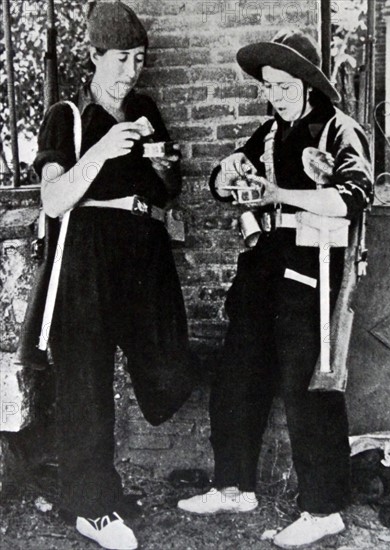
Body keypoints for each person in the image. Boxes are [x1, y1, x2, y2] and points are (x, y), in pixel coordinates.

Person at [178, 29, 373, 548]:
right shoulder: (266, 133)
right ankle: (233, 485)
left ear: (308, 83)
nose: (277, 95)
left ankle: (323, 508)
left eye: (285, 85)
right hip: (261, 273)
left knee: (306, 387)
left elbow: (351, 200)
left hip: (311, 272)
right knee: (237, 375)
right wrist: (225, 175)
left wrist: (279, 193)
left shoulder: (338, 129)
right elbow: (223, 185)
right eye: (269, 86)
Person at [32, 3, 193, 549]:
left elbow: (167, 190)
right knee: (87, 382)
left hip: (143, 254)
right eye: (121, 59)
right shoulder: (68, 115)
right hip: (88, 257)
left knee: (170, 367)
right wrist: (102, 149)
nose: (131, 72)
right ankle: (92, 505)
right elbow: (54, 200)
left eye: (140, 60)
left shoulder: (145, 106)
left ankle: (96, 488)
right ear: (94, 56)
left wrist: (165, 168)